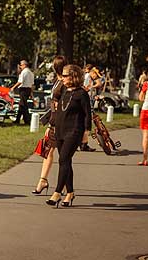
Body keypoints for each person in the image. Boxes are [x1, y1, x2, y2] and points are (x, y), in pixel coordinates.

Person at [46, 64, 91, 207]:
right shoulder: (64, 90)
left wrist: (86, 133)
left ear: (74, 77)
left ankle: (57, 193)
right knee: (66, 162)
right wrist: (51, 126)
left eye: (65, 75)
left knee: (63, 159)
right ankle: (70, 193)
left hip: (74, 132)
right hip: (60, 130)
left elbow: (87, 115)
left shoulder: (82, 94)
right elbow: (57, 111)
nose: (62, 78)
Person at [32, 55, 68, 195]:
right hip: (54, 120)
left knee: (63, 156)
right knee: (49, 151)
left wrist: (51, 125)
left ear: (56, 66)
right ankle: (43, 180)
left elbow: (61, 106)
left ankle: (64, 185)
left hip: (60, 123)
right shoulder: (57, 80)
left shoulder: (64, 83)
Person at [11, 60, 34, 125]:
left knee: (23, 105)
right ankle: (18, 119)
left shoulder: (24, 72)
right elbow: (32, 84)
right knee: (22, 105)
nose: (20, 67)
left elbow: (20, 81)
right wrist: (31, 93)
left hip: (23, 89)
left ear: (24, 65)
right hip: (28, 89)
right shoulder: (31, 73)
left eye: (21, 65)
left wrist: (13, 87)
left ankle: (27, 120)